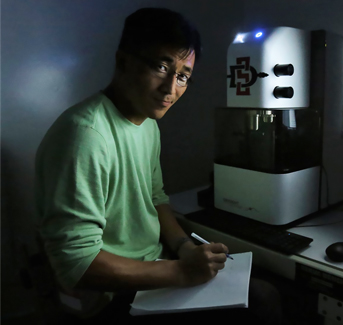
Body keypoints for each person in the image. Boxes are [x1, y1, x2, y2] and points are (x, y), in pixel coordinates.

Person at [35, 7, 281, 324]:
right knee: (261, 300)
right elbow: (77, 265)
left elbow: (155, 196)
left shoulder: (147, 122)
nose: (170, 88)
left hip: (156, 266)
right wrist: (179, 271)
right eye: (161, 66)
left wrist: (183, 247)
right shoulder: (85, 136)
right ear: (123, 61)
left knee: (264, 290)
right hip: (114, 295)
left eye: (183, 76)